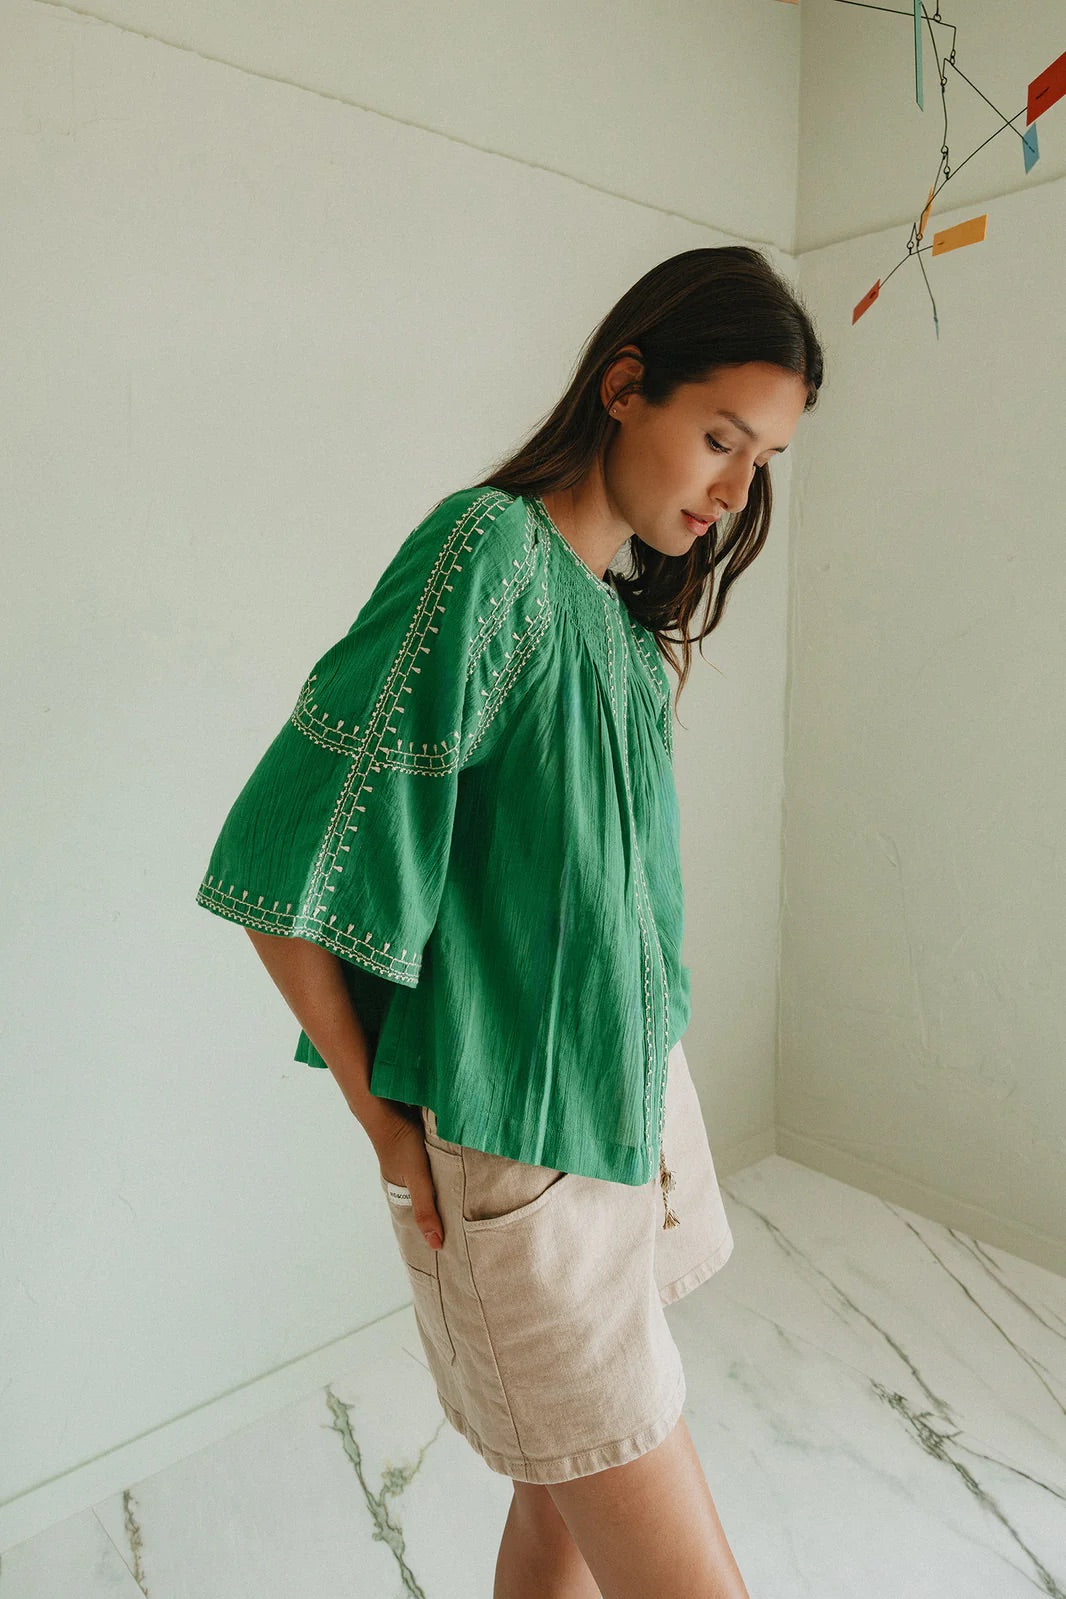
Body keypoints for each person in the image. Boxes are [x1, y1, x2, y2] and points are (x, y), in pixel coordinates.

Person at [195, 245, 824, 1598]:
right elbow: (283, 861)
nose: (734, 491)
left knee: (564, 1504)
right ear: (624, 386)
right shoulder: (482, 555)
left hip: (633, 1116)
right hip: (522, 1164)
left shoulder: (617, 629)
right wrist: (384, 1127)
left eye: (762, 460)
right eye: (721, 438)